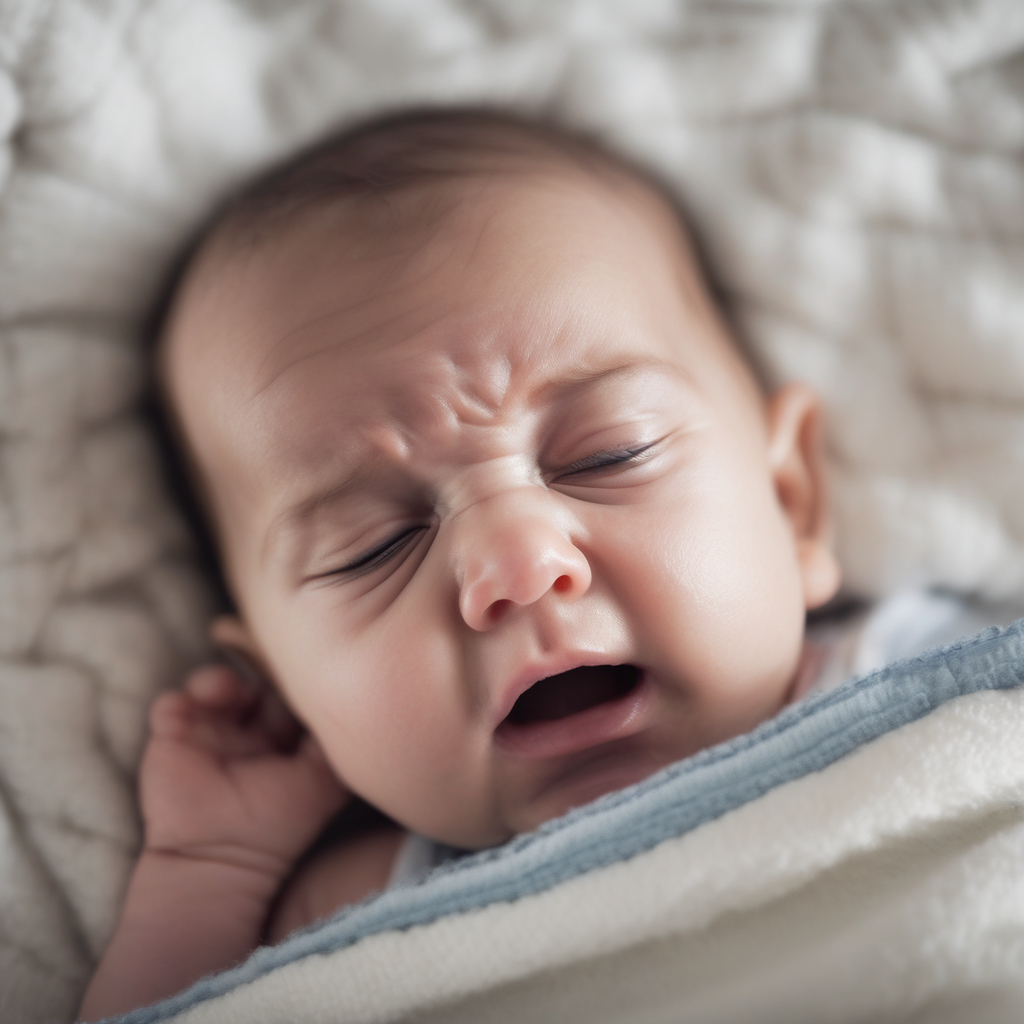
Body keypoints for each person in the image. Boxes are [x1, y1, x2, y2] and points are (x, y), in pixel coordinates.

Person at [78, 109, 841, 1020]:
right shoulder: (354, 914)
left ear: (792, 503)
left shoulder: (954, 683)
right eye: (375, 547)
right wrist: (208, 873)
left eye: (610, 454)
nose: (515, 567)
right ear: (283, 689)